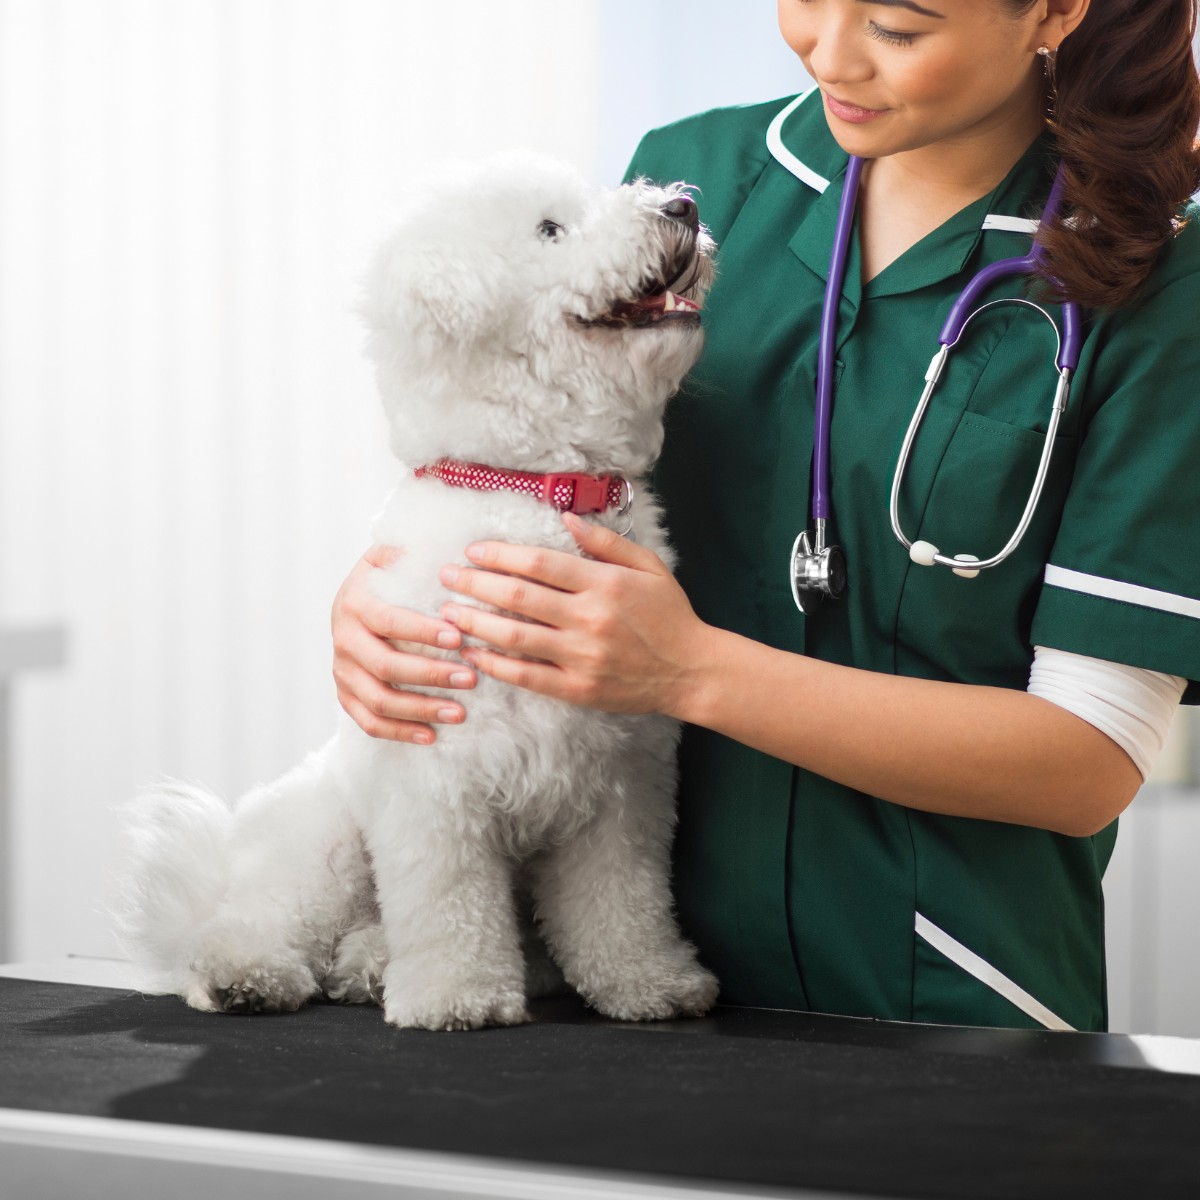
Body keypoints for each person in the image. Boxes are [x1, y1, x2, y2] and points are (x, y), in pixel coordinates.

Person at [331, 0, 1200, 1032]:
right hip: (609, 996)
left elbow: (1087, 761)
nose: (827, 54)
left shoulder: (1155, 279)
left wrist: (691, 670)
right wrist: (393, 580)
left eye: (898, 27)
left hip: (941, 1002)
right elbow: (520, 431)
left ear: (1054, 10)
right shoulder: (698, 178)